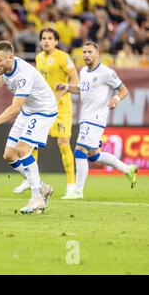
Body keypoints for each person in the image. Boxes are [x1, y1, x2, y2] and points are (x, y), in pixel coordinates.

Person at [0, 41, 55, 214]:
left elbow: (14, 108)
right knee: (9, 155)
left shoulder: (24, 75)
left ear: (10, 58)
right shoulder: (7, 65)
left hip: (43, 111)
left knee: (22, 149)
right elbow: (2, 73)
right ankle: (42, 187)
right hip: (29, 111)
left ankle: (37, 199)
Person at [55, 41, 138, 199]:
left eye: (89, 52)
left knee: (80, 151)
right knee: (93, 155)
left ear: (97, 54)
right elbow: (80, 89)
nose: (86, 55)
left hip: (96, 118)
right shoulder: (85, 72)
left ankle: (77, 191)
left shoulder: (106, 72)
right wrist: (66, 87)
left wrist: (115, 99)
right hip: (85, 118)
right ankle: (128, 169)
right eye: (84, 52)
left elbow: (123, 90)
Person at [13, 28, 79, 197]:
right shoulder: (39, 58)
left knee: (63, 142)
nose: (46, 41)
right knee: (31, 143)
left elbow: (75, 80)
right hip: (42, 107)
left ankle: (72, 185)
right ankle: (30, 179)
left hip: (62, 106)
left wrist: (61, 92)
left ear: (56, 41)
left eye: (50, 38)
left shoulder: (64, 57)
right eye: (43, 38)